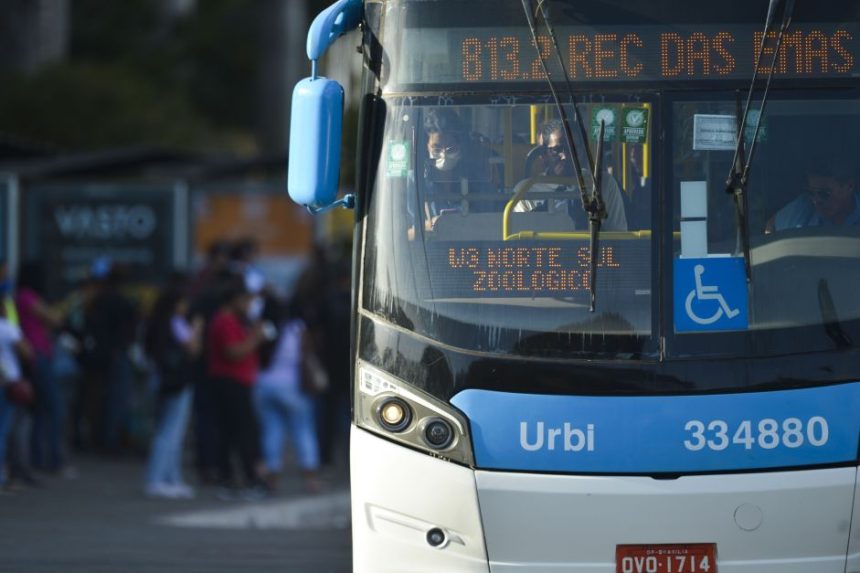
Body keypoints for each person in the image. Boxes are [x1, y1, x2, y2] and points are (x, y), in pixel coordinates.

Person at [207, 277, 268, 499]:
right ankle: (245, 479)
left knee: (234, 432)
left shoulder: (236, 320)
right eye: (246, 301)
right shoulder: (225, 321)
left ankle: (231, 478)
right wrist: (256, 338)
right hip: (230, 383)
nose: (249, 306)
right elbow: (233, 352)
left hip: (239, 382)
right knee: (239, 433)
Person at [254, 295, 322, 493]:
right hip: (293, 387)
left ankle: (272, 479)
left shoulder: (265, 328)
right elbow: (308, 355)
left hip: (264, 385)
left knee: (271, 431)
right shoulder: (298, 329)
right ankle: (310, 479)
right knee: (303, 431)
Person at [513, 119, 628, 231]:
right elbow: (522, 241)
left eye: (573, 149)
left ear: (582, 151)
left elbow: (618, 236)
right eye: (557, 150)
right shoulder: (526, 190)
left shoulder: (603, 184)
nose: (566, 156)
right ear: (544, 155)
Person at [143, 285, 203, 499]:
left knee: (167, 430)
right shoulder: (176, 323)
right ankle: (160, 478)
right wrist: (196, 329)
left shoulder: (157, 323)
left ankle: (169, 478)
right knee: (171, 431)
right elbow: (193, 348)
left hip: (163, 381)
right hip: (177, 382)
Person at [416, 108, 501, 233]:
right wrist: (431, 225)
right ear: (426, 146)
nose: (443, 154)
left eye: (450, 148)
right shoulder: (416, 182)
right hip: (428, 250)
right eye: (437, 148)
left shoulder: (478, 179)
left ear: (460, 146)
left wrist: (471, 221)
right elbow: (400, 234)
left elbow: (496, 223)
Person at [767, 159, 860, 232]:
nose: (816, 200)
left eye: (824, 193)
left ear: (849, 186)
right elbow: (771, 226)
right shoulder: (803, 207)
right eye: (811, 193)